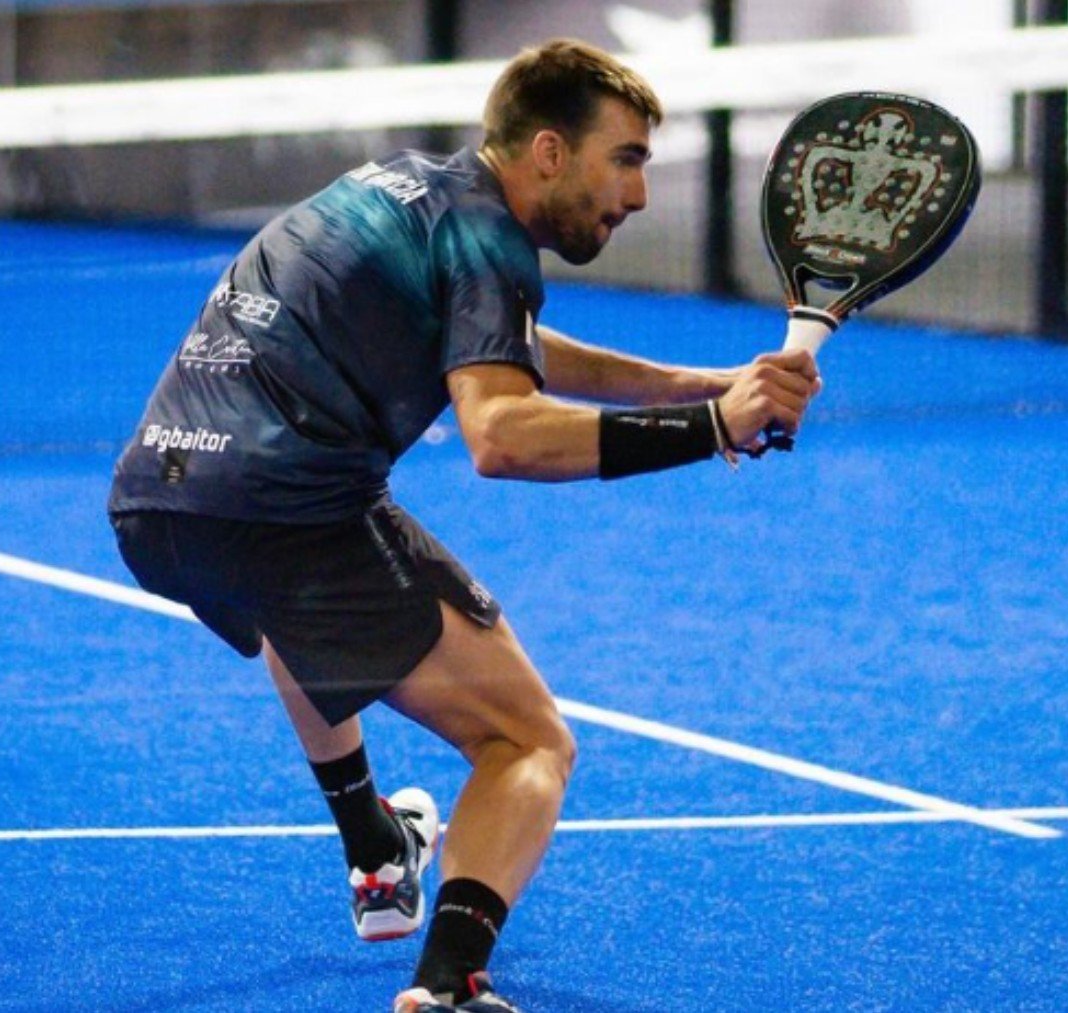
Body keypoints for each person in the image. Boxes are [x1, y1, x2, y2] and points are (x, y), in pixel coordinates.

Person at [107, 38, 819, 1013]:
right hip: (287, 514)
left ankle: (374, 845)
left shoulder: (406, 187)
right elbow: (501, 433)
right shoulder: (490, 241)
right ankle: (447, 983)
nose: (641, 194)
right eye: (629, 160)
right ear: (549, 153)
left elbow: (507, 340)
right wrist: (710, 428)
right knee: (529, 742)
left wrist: (704, 382)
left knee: (305, 612)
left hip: (157, 501)